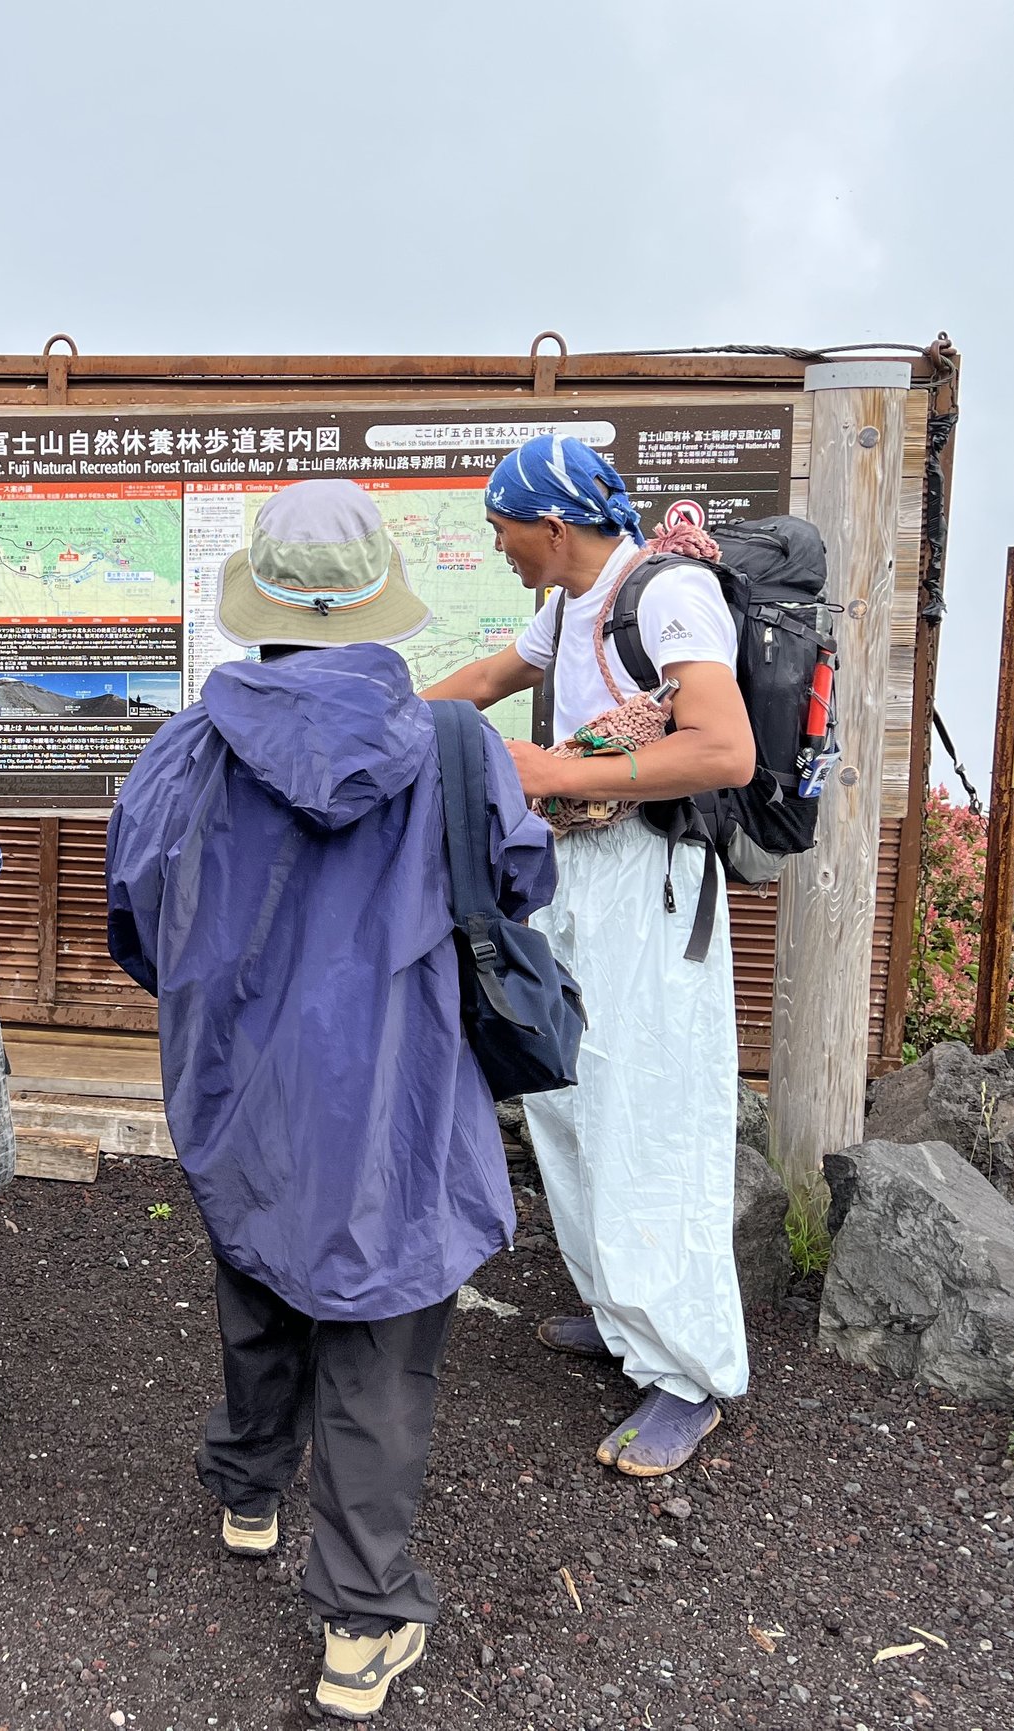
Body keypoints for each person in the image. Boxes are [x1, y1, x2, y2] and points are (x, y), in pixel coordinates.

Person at [107, 479, 557, 1722]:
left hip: (239, 1079)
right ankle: (360, 1625)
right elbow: (517, 888)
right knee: (378, 1336)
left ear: (256, 605)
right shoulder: (452, 746)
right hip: (399, 1094)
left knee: (257, 1269)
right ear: (376, 606)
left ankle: (250, 1493)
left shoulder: (183, 749)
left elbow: (137, 922)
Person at [423, 433, 758, 1478]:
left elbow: (724, 748)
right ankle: (623, 1309)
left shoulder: (662, 598)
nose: (499, 549)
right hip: (581, 876)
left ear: (552, 527)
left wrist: (554, 771)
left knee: (645, 1109)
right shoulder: (572, 599)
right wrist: (365, 720)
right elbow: (486, 676)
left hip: (651, 886)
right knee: (567, 1093)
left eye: (503, 532)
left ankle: (689, 1373)